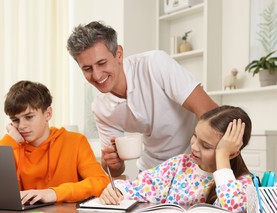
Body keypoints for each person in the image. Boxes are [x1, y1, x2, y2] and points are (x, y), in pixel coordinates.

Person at [67, 21, 218, 177]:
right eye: (87, 69)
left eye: (102, 63)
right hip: (152, 172)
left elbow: (209, 111)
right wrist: (111, 162)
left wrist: (214, 160)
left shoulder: (155, 64)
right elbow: (115, 170)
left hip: (194, 165)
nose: (97, 75)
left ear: (118, 54)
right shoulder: (101, 107)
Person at [99, 105, 253, 213]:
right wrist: (117, 189)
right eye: (195, 136)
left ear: (231, 153)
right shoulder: (179, 164)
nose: (194, 146)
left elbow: (232, 206)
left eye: (205, 145)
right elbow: (142, 186)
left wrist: (222, 155)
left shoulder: (242, 182)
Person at [0, 80, 109, 204]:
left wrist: (54, 193)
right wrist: (10, 139)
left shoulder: (75, 141)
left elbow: (101, 182)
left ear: (48, 114)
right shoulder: (12, 146)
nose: (21, 126)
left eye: (29, 117)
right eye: (15, 120)